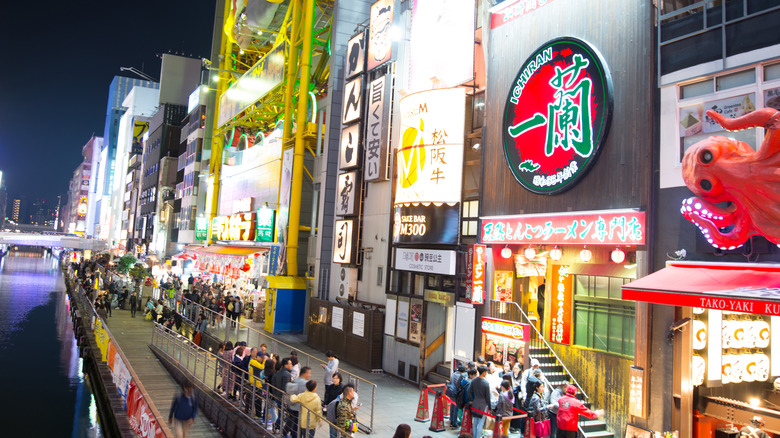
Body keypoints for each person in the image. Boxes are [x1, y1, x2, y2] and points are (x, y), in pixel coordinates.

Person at [467, 366, 491, 438]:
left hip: (475, 403)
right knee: (481, 423)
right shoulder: (486, 383)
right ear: (484, 372)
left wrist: (471, 399)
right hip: (483, 405)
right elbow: (488, 397)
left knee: (475, 422)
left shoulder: (474, 380)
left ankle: (474, 436)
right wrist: (489, 407)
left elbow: (469, 390)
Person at [448, 364, 466, 428]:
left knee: (452, 406)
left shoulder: (454, 374)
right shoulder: (460, 376)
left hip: (451, 392)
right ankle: (454, 423)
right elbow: (459, 385)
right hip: (456, 393)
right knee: (456, 408)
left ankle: (451, 420)